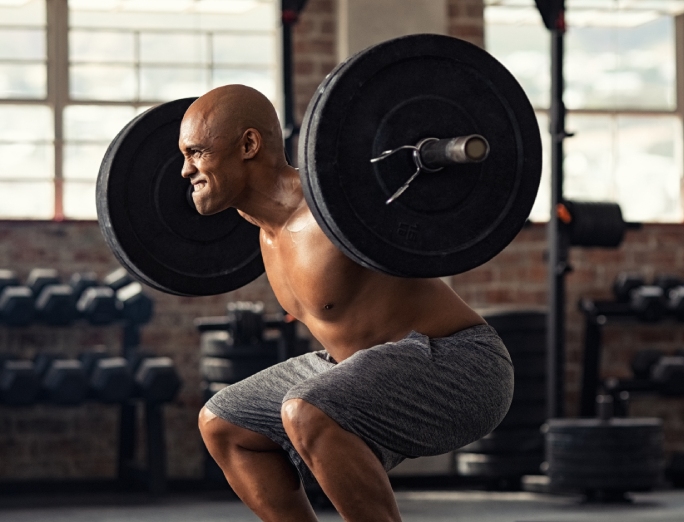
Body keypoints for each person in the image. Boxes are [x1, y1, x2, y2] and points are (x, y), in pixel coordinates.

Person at [182, 84, 514, 522]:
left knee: (306, 410)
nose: (186, 171)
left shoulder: (336, 206)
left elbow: (408, 203)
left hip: (462, 366)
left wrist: (440, 158)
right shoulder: (265, 232)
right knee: (223, 423)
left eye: (197, 153)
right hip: (356, 365)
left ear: (248, 144)